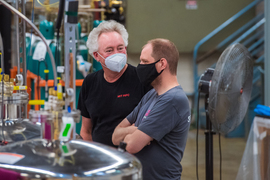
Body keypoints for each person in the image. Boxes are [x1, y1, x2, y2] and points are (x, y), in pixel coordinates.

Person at [112, 38, 191, 180]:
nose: (140, 66)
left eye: (145, 62)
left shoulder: (172, 100)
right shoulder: (151, 95)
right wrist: (134, 130)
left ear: (162, 64)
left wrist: (132, 134)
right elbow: (115, 136)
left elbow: (130, 145)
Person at [77, 20, 151, 147]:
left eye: (120, 48)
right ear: (97, 55)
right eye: (109, 50)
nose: (117, 54)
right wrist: (91, 157)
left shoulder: (142, 79)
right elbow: (86, 130)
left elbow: (150, 128)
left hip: (133, 158)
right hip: (101, 159)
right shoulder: (90, 83)